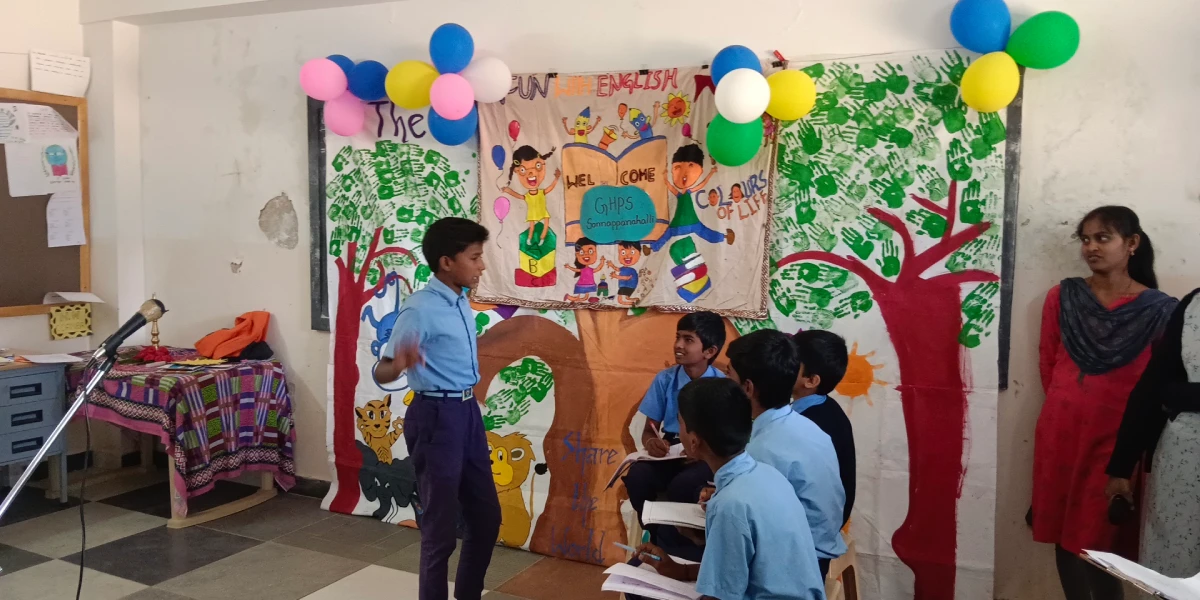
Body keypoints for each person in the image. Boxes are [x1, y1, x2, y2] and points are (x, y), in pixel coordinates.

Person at [1032, 206, 1177, 600]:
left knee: (1100, 543)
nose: (1091, 247)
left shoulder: (1161, 310)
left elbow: (1161, 384)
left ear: (1132, 244)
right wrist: (1068, 408)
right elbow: (1048, 363)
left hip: (1116, 442)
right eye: (1085, 239)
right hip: (1061, 433)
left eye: (1103, 238)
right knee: (1063, 534)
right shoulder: (1063, 297)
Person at [374, 217, 500, 600]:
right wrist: (399, 363)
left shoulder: (459, 300)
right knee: (440, 527)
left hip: (466, 413)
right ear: (447, 262)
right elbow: (383, 370)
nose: (481, 266)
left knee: (486, 517)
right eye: (474, 258)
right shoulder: (420, 309)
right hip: (436, 417)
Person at [635, 378, 826, 600]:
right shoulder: (768, 474)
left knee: (637, 590)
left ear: (694, 442)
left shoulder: (730, 505)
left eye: (680, 423)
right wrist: (682, 571)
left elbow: (723, 595)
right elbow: (745, 570)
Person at [723, 329, 846, 579]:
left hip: (794, 565)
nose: (724, 383)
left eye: (728, 374)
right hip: (817, 547)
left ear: (747, 387)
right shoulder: (803, 425)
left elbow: (752, 531)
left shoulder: (763, 449)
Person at [1107, 287, 1200, 578]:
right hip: (1183, 468)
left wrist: (1179, 394)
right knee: (1175, 567)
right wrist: (1121, 468)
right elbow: (1153, 385)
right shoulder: (1195, 304)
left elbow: (1167, 389)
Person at [623, 311, 726, 560]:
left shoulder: (722, 386)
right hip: (671, 449)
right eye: (678, 337)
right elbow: (649, 428)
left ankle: (685, 548)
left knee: (684, 485)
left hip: (705, 455)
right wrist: (651, 442)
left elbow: (726, 436)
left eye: (688, 340)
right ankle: (657, 535)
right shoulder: (665, 379)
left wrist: (703, 452)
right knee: (637, 476)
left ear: (709, 351)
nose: (678, 345)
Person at [792, 330, 857, 527]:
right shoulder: (826, 408)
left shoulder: (809, 425)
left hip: (809, 532)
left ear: (811, 380)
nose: (780, 366)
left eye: (790, 361)